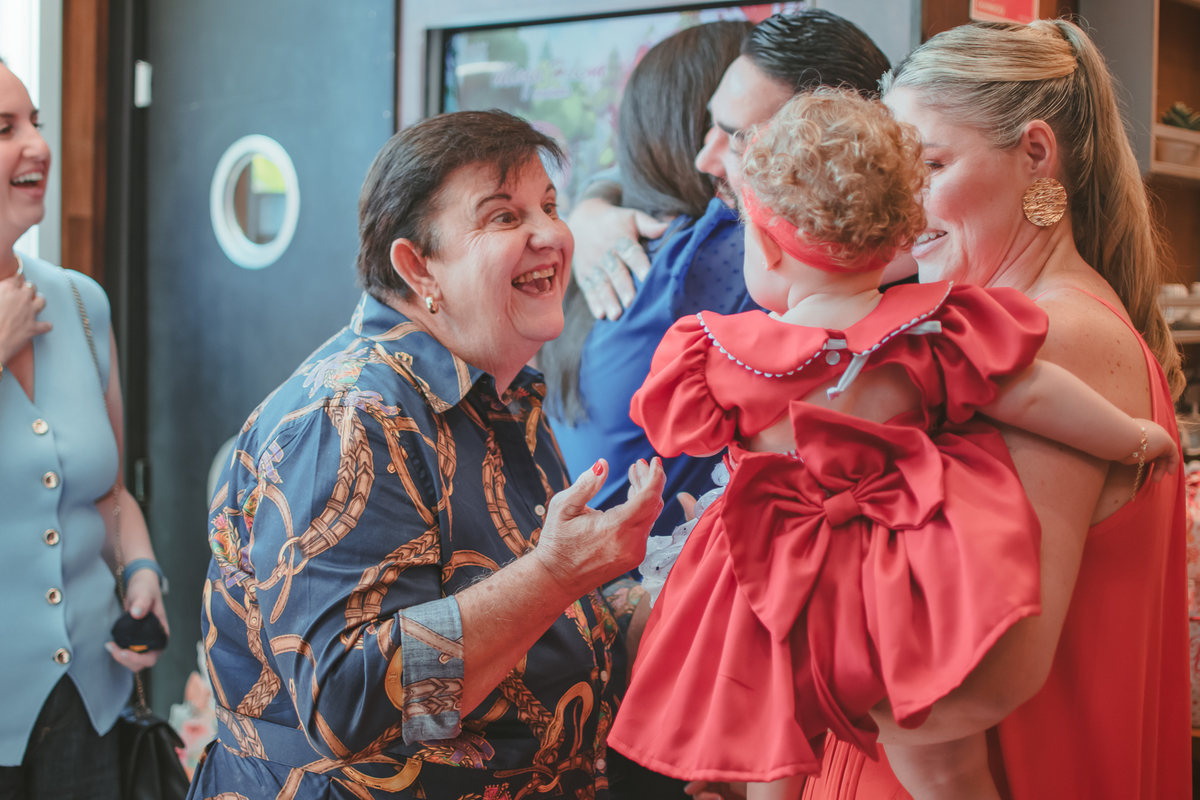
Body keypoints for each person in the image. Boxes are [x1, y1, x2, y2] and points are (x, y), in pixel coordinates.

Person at [605, 88, 1178, 800]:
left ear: (766, 241)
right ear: (900, 236)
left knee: (771, 752)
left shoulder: (721, 352)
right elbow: (1033, 397)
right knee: (943, 765)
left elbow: (672, 432)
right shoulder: (930, 332)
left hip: (770, 583)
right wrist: (1132, 436)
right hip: (889, 581)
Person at [189, 110, 667, 800]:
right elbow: (349, 703)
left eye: (550, 207)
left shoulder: (496, 391)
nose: (552, 235)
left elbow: (537, 620)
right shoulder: (349, 418)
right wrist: (556, 575)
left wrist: (663, 595)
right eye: (504, 217)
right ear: (417, 266)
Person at [797, 20, 1191, 800]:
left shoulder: (1051, 340)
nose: (904, 208)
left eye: (932, 165)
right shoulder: (1000, 333)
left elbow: (971, 686)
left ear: (1037, 155)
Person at [546, 12, 893, 532]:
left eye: (736, 137)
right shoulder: (707, 250)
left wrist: (595, 198)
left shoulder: (676, 248)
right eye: (710, 125)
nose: (705, 156)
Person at [0, 58, 167, 799]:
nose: (36, 145)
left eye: (37, 122)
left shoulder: (78, 302)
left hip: (93, 707)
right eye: (5, 129)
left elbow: (110, 495)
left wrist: (141, 573)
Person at [543, 20, 754, 539]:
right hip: (645, 597)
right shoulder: (709, 252)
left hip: (591, 588)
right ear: (709, 126)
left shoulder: (624, 245)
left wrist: (595, 195)